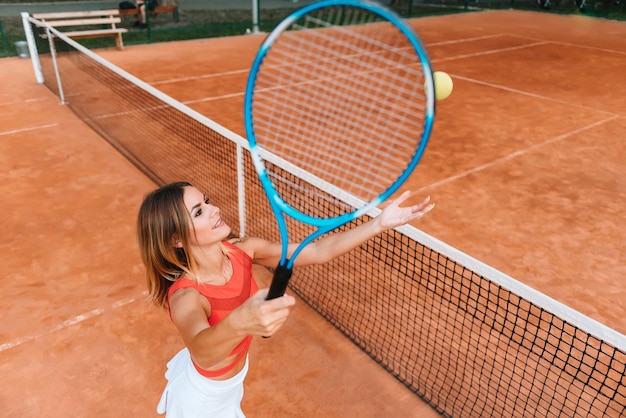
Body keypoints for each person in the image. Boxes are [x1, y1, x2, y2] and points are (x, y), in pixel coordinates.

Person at [137, 181, 434, 417]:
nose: (213, 210)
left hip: (230, 384)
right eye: (199, 212)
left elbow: (318, 252)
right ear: (176, 239)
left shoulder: (243, 250)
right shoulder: (187, 296)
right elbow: (202, 349)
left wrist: (378, 224)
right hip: (204, 402)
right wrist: (240, 322)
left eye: (207, 201)